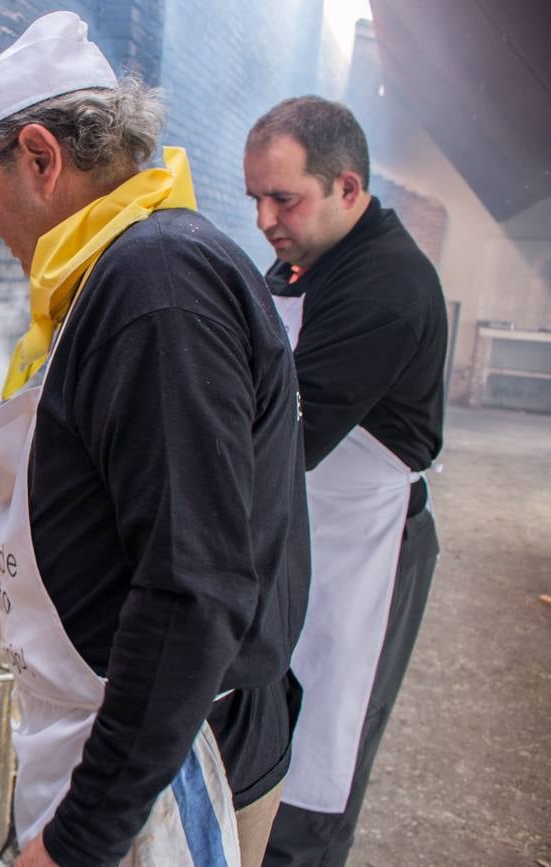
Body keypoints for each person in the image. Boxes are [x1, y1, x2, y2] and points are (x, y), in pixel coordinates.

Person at [0, 12, 310, 867]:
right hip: (124, 730)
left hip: (177, 750)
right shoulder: (119, 269)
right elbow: (111, 480)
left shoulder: (155, 287)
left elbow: (193, 588)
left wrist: (77, 841)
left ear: (41, 156)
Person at [242, 96, 446, 867]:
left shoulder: (386, 287)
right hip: (300, 527)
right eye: (255, 198)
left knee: (322, 751)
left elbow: (279, 442)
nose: (265, 218)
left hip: (367, 545)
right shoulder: (304, 260)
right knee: (270, 727)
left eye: (284, 198)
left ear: (348, 189)